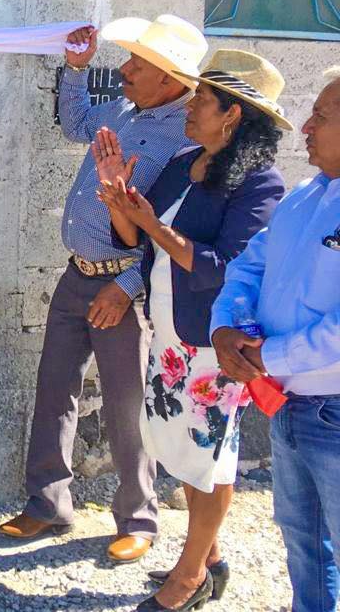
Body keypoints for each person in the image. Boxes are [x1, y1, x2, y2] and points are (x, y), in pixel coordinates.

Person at [0, 15, 208, 565]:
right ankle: (47, 505)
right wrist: (75, 67)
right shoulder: (120, 111)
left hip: (124, 289)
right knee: (54, 390)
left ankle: (139, 519)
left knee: (127, 406)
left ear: (168, 78)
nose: (124, 69)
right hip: (77, 278)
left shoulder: (186, 140)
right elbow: (74, 124)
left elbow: (170, 232)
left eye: (137, 63)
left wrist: (126, 286)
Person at [95, 49, 289, 610]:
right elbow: (135, 238)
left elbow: (226, 267)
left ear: (232, 114)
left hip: (214, 343)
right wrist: (118, 201)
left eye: (202, 97)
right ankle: (211, 558)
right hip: (170, 336)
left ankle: (188, 578)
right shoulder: (185, 161)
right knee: (182, 450)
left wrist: (150, 222)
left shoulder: (259, 184)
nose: (191, 104)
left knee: (209, 457)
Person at [211, 70, 340, 612]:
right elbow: (248, 268)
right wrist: (226, 327)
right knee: (304, 544)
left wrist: (267, 354)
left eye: (323, 118)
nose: (305, 127)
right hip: (289, 405)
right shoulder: (305, 196)